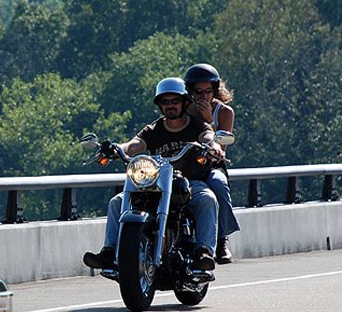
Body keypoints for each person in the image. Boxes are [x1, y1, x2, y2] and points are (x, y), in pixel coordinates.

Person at [83, 77, 220, 272]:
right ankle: (109, 252)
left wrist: (212, 146)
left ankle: (204, 251)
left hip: (189, 182)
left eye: (175, 101)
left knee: (207, 199)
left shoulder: (197, 126)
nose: (170, 106)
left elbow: (208, 136)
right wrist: (116, 149)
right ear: (159, 105)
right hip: (155, 184)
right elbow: (133, 145)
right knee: (116, 202)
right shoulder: (154, 129)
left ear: (184, 102)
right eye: (165, 102)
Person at [184, 63, 240, 264]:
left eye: (208, 91)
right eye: (198, 92)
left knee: (218, 184)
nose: (203, 96)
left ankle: (221, 239)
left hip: (212, 165)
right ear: (190, 91)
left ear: (215, 90)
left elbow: (221, 151)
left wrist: (208, 120)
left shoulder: (224, 112)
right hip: (188, 165)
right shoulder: (184, 110)